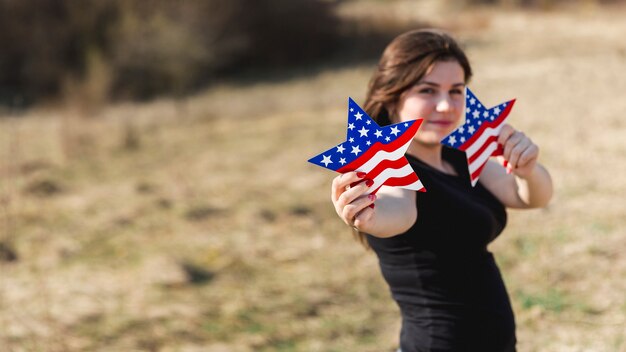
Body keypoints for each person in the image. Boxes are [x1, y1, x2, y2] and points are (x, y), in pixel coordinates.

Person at [330, 29, 553, 351]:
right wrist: (368, 216)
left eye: (456, 91)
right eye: (428, 90)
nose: (446, 106)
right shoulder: (391, 172)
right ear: (393, 96)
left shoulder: (459, 157)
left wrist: (528, 170)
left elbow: (530, 197)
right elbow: (397, 210)